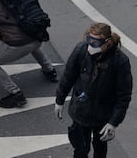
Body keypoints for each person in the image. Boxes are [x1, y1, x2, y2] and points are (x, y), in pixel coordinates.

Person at [55, 22, 133, 158]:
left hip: (102, 116)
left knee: (100, 150)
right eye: (89, 39)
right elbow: (68, 76)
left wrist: (113, 122)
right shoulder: (81, 50)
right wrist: (59, 100)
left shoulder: (120, 61)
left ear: (107, 42)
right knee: (80, 150)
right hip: (80, 110)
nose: (91, 45)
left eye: (95, 42)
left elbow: (124, 96)